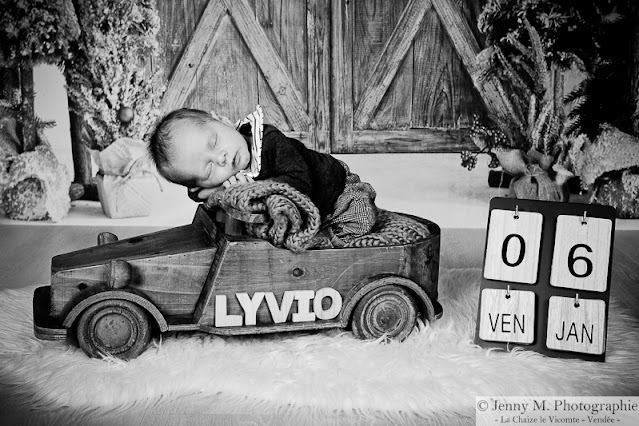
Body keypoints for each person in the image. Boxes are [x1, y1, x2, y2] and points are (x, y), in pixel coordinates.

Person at [149, 106, 377, 246]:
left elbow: (301, 183)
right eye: (208, 169)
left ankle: (331, 240)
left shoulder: (268, 142)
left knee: (360, 220)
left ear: (223, 121)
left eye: (215, 142)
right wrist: (215, 189)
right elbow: (199, 195)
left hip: (337, 194)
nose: (221, 158)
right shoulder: (223, 178)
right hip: (309, 210)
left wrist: (253, 187)